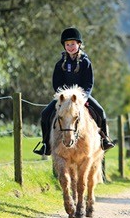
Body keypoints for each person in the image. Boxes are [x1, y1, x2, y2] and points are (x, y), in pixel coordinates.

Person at [33, 27, 115, 156]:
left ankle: (105, 140)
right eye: (67, 44)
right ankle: (45, 144)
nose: (70, 47)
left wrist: (83, 97)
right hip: (64, 98)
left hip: (81, 97)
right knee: (45, 114)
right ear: (64, 46)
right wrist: (62, 97)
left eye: (73, 44)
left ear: (79, 44)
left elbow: (89, 83)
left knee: (100, 112)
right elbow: (57, 83)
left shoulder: (85, 63)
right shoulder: (60, 64)